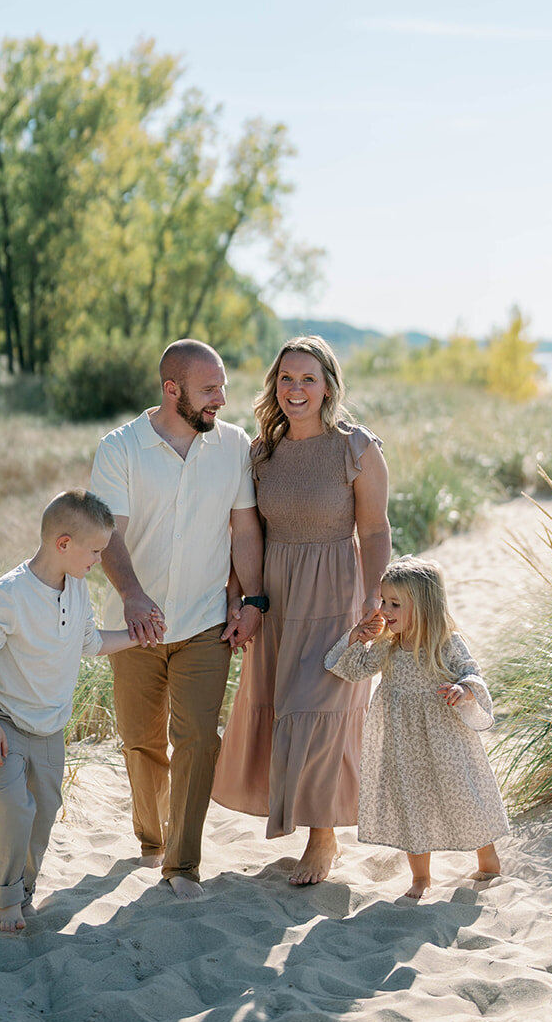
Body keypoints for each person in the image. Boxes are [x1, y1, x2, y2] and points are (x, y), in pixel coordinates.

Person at [212, 335, 391, 886]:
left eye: (308, 379)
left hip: (337, 592)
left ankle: (323, 836)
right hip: (277, 598)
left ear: (329, 387)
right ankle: (309, 822)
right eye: (286, 378)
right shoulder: (262, 454)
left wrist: (374, 593)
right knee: (284, 705)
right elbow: (249, 533)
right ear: (274, 386)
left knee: (321, 710)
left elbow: (376, 527)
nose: (296, 389)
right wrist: (242, 599)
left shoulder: (356, 448)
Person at [90, 338, 265, 900]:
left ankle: (182, 864)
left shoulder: (233, 445)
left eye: (222, 389)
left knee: (197, 740)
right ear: (172, 390)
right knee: (141, 740)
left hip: (205, 624)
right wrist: (134, 596)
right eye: (209, 390)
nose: (220, 400)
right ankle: (150, 836)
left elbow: (244, 529)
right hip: (133, 627)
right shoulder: (120, 448)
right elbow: (107, 532)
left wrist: (251, 600)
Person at [0, 489, 149, 933]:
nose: (100, 561)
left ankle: (24, 892)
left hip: (51, 726)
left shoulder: (79, 589)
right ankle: (5, 899)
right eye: (96, 551)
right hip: (3, 720)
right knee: (11, 806)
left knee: (44, 810)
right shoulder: (6, 595)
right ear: (63, 544)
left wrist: (137, 636)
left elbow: (89, 644)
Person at [325, 556, 508, 899]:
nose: (385, 610)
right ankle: (421, 877)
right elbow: (354, 669)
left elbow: (471, 672)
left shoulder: (446, 643)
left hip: (445, 738)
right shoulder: (388, 645)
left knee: (462, 795)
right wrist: (357, 637)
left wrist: (462, 689)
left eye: (395, 603)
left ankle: (488, 861)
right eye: (383, 601)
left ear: (423, 606)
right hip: (402, 740)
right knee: (411, 802)